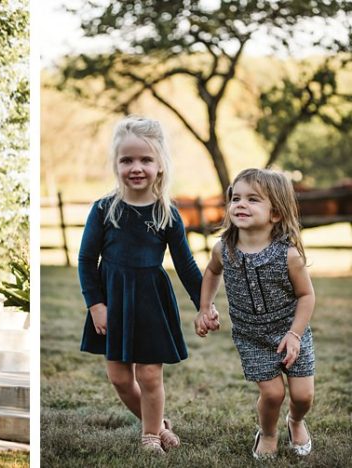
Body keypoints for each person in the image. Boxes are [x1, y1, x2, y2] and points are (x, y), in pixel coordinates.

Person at [77, 116, 204, 454]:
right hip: (113, 301)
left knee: (149, 375)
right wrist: (95, 305)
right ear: (115, 164)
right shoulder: (104, 209)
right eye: (127, 160)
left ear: (160, 164)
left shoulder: (168, 213)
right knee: (119, 377)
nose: (137, 167)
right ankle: (160, 424)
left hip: (150, 301)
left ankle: (149, 435)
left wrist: (205, 305)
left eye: (146, 159)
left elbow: (187, 266)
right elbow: (87, 261)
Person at [195, 168, 315, 459]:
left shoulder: (289, 255)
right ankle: (269, 432)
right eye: (235, 198)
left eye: (252, 199)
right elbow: (211, 272)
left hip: (291, 333)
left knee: (302, 396)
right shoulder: (224, 249)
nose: (240, 204)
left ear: (275, 214)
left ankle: (295, 421)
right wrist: (205, 306)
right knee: (273, 394)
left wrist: (295, 334)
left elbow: (307, 296)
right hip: (251, 337)